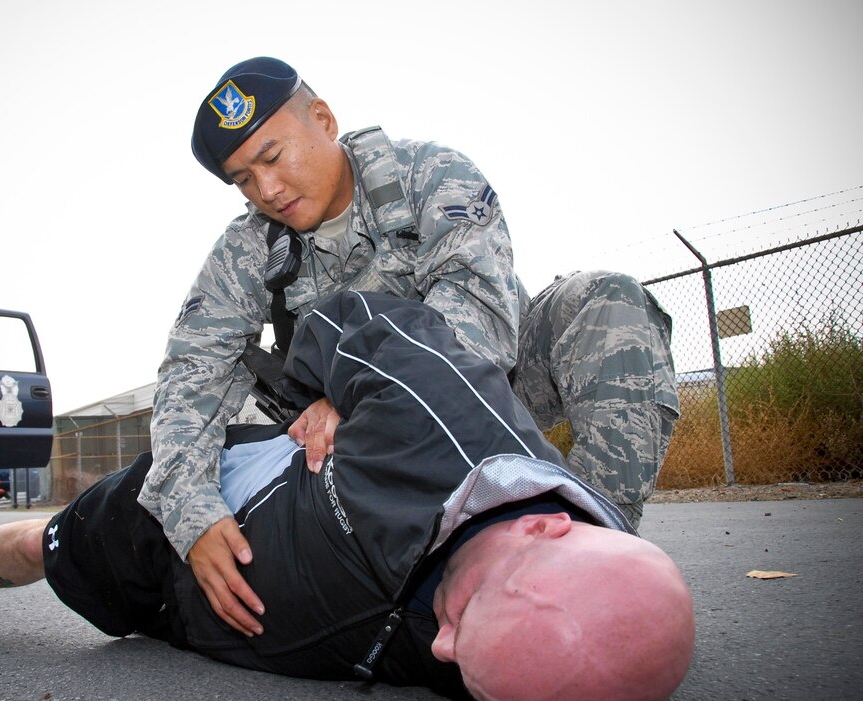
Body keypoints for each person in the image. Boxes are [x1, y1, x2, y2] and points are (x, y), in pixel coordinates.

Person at [0, 292, 695, 701]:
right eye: (462, 623)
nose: (441, 649)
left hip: (190, 627)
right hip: (192, 520)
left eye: (455, 664)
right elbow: (348, 319)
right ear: (545, 520)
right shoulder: (448, 421)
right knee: (34, 544)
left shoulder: (530, 630)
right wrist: (319, 390)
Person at [149, 56, 680, 636]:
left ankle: (596, 546)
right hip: (356, 445)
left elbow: (479, 323)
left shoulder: (428, 175)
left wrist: (358, 391)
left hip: (494, 385)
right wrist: (192, 515)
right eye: (244, 180)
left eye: (272, 157)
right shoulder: (248, 251)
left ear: (323, 120)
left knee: (609, 300)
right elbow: (190, 374)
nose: (267, 190)